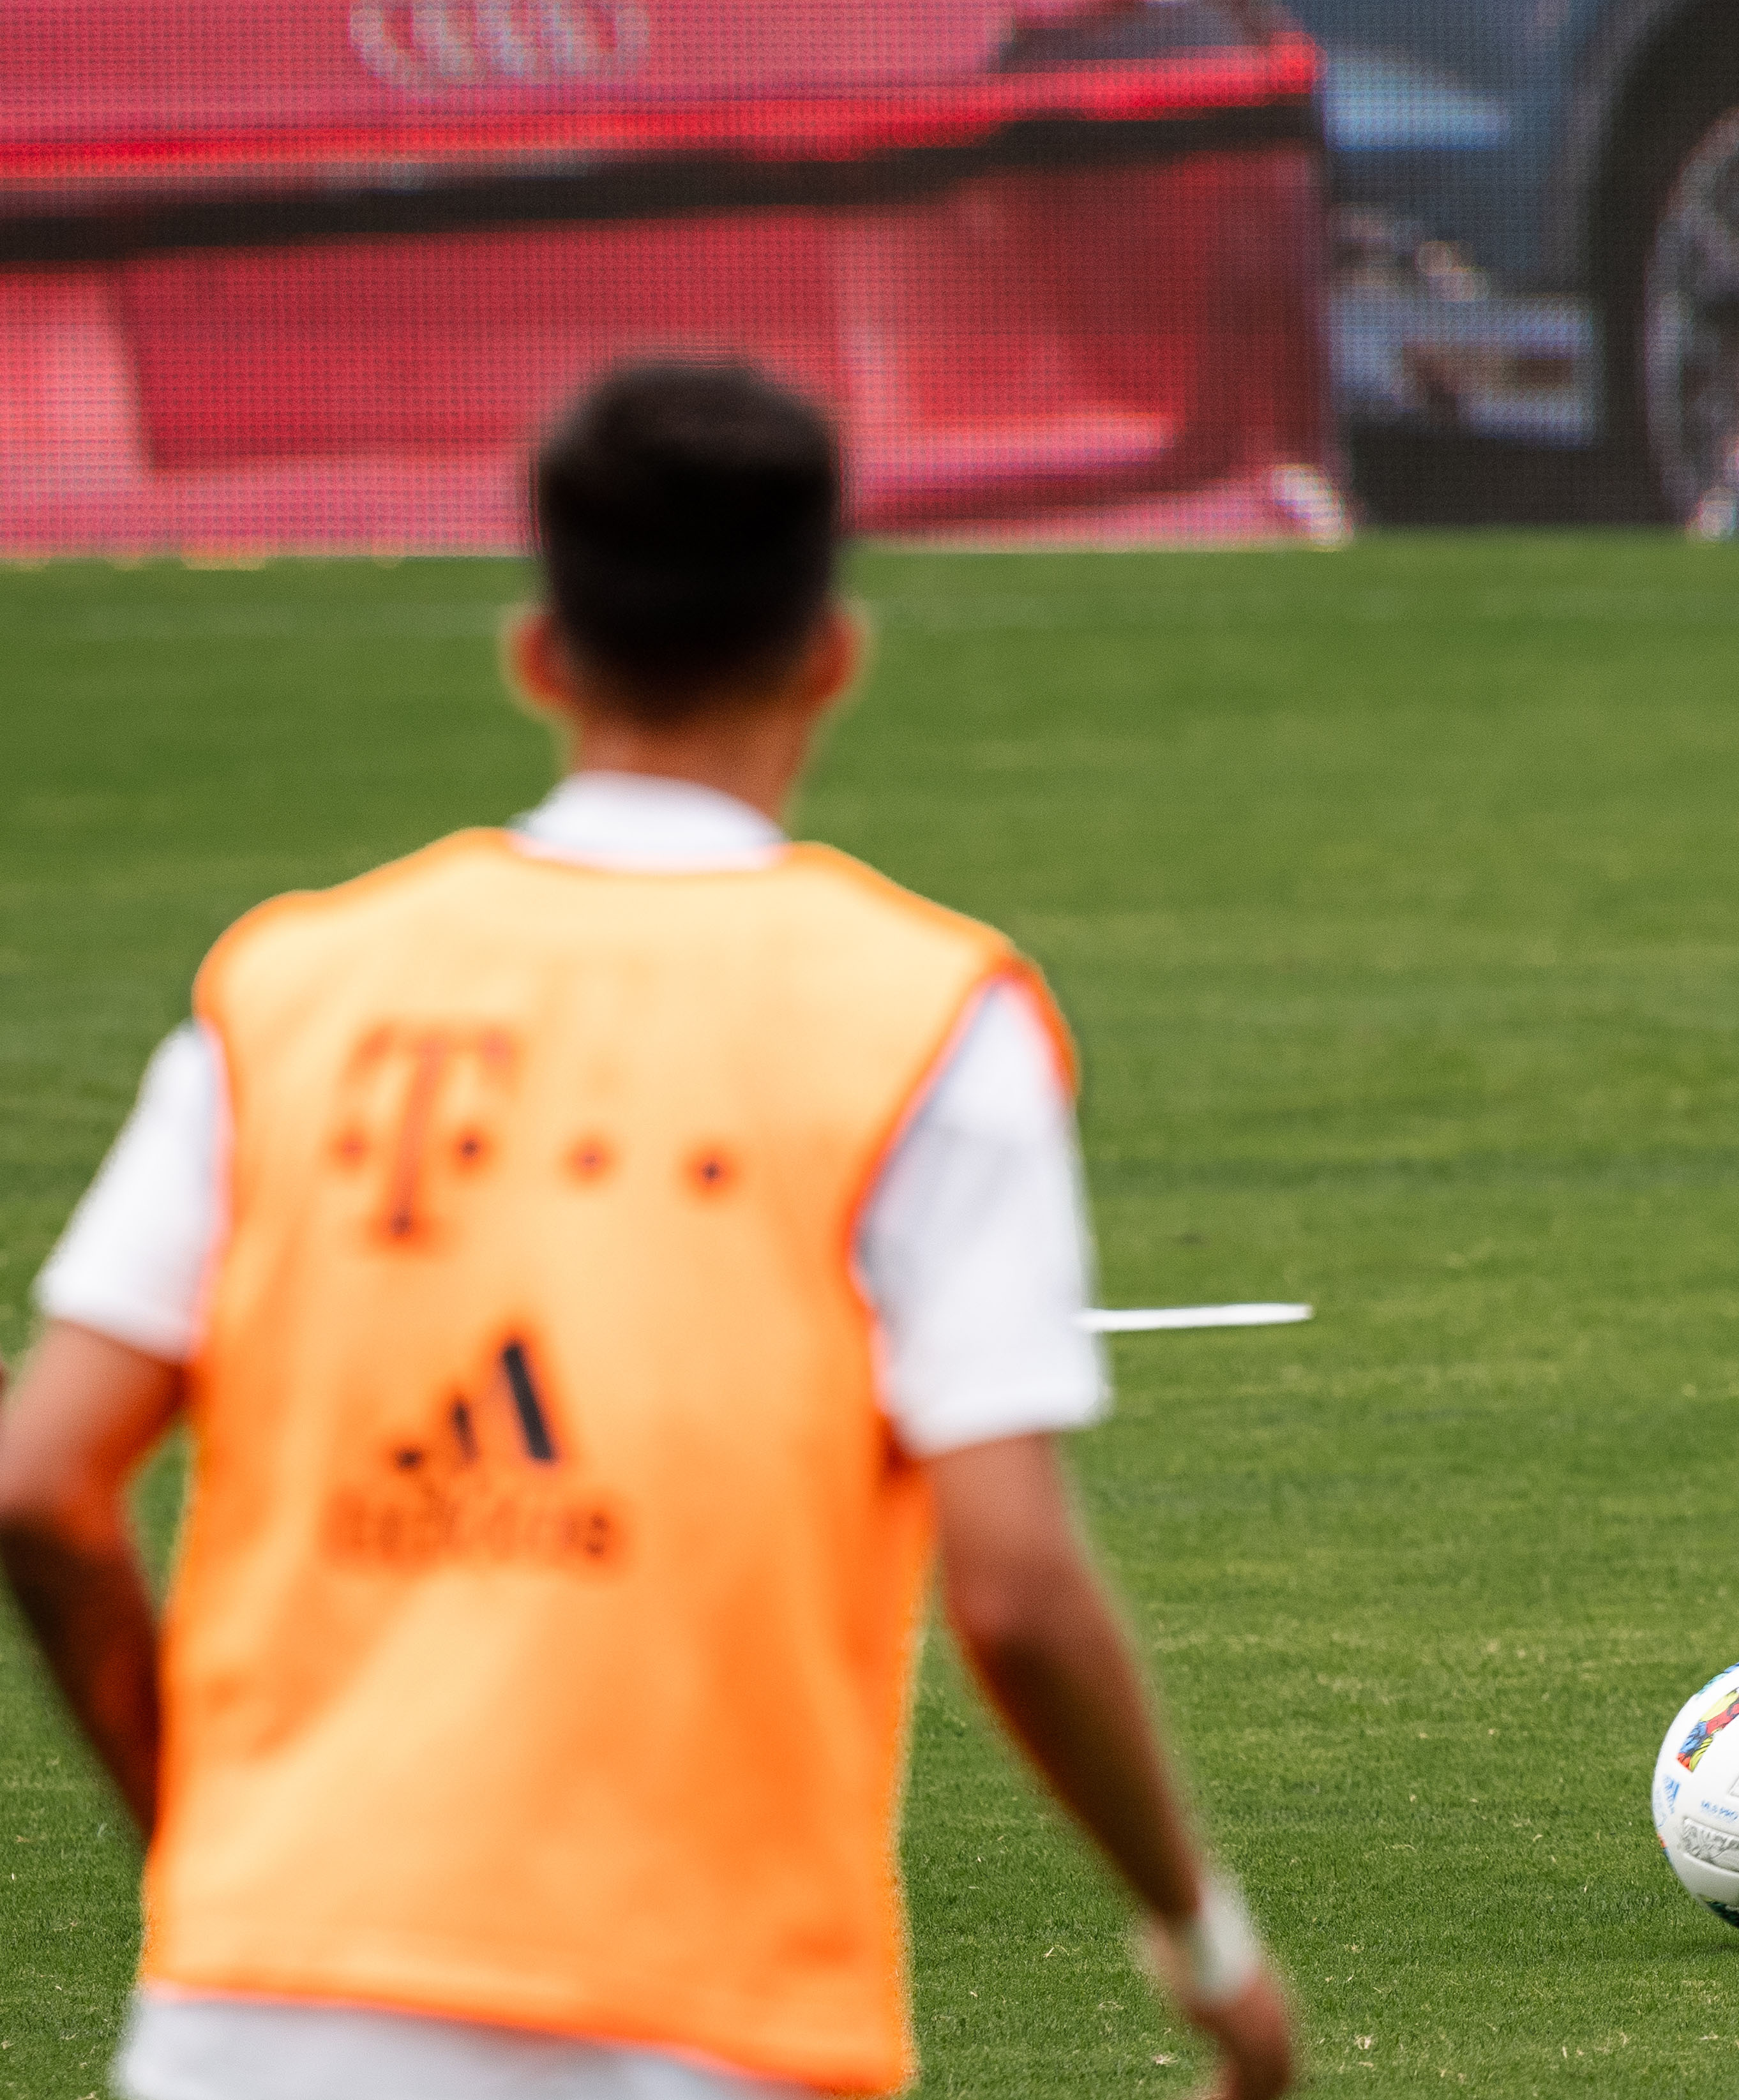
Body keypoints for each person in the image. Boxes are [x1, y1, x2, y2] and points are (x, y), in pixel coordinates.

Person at [0, 363, 1296, 2098]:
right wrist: (1200, 1939)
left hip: (255, 1993)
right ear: (831, 649)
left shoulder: (286, 990)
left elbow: (38, 1482)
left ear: (539, 651)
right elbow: (1013, 1581)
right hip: (704, 2013)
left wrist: (205, 1828)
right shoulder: (924, 1015)